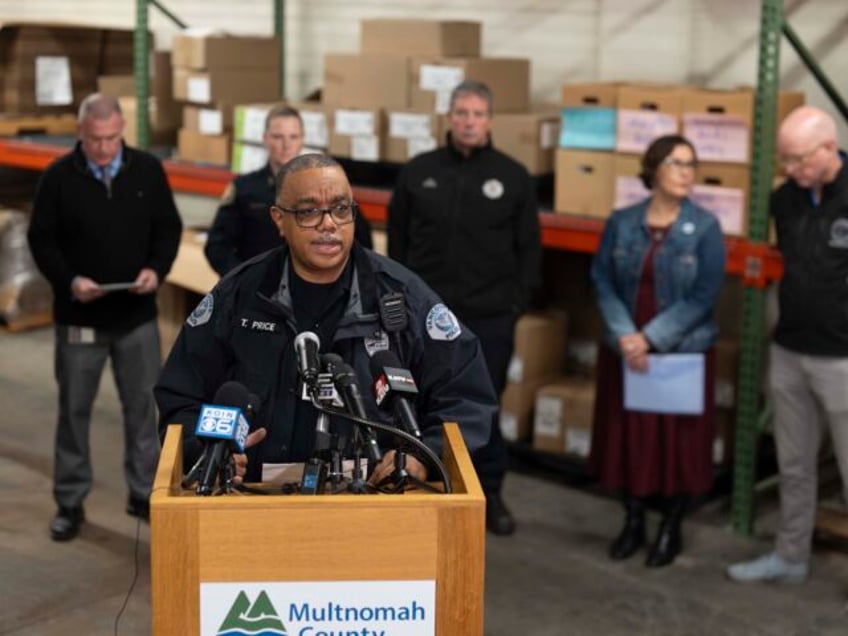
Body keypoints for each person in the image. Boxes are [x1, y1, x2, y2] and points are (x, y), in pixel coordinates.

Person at [155, 154, 496, 487]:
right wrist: (207, 453)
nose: (328, 224)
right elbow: (180, 396)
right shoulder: (240, 295)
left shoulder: (404, 298)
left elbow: (465, 396)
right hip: (255, 502)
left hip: (371, 503)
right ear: (278, 219)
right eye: (308, 212)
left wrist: (425, 455)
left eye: (340, 209)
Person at [387, 80, 542, 535]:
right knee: (421, 403)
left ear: (490, 121)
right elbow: (397, 240)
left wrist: (516, 305)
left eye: (477, 114)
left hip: (489, 318)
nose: (469, 122)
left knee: (483, 407)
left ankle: (488, 492)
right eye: (461, 113)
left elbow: (529, 249)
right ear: (449, 119)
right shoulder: (418, 172)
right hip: (424, 319)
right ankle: (427, 484)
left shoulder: (513, 177)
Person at [27, 93, 183, 541]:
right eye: (96, 140)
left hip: (136, 318)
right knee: (73, 412)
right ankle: (70, 500)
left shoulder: (147, 171)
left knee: (142, 410)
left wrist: (157, 269)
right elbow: (42, 241)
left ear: (122, 132)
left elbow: (167, 229)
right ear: (81, 133)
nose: (104, 148)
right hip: (80, 319)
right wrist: (70, 280)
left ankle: (143, 492)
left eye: (113, 138)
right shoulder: (58, 179)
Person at [590, 134, 726, 567]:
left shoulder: (705, 228)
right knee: (629, 436)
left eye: (691, 164)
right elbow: (603, 280)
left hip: (678, 352)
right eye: (677, 163)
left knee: (675, 444)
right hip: (626, 350)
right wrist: (625, 336)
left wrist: (650, 339)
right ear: (654, 170)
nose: (687, 173)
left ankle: (670, 526)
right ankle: (632, 520)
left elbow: (704, 295)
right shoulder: (622, 222)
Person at [727, 106, 848, 584]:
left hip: (842, 357)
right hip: (791, 349)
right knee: (794, 464)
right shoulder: (785, 200)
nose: (791, 170)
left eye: (799, 160)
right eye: (785, 161)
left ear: (828, 148)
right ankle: (790, 556)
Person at [204, 104, 372, 276]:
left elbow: (361, 241)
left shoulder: (326, 187)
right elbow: (217, 246)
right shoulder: (244, 188)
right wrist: (243, 280)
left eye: (293, 137)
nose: (286, 145)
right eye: (278, 137)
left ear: (302, 140)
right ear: (265, 139)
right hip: (260, 289)